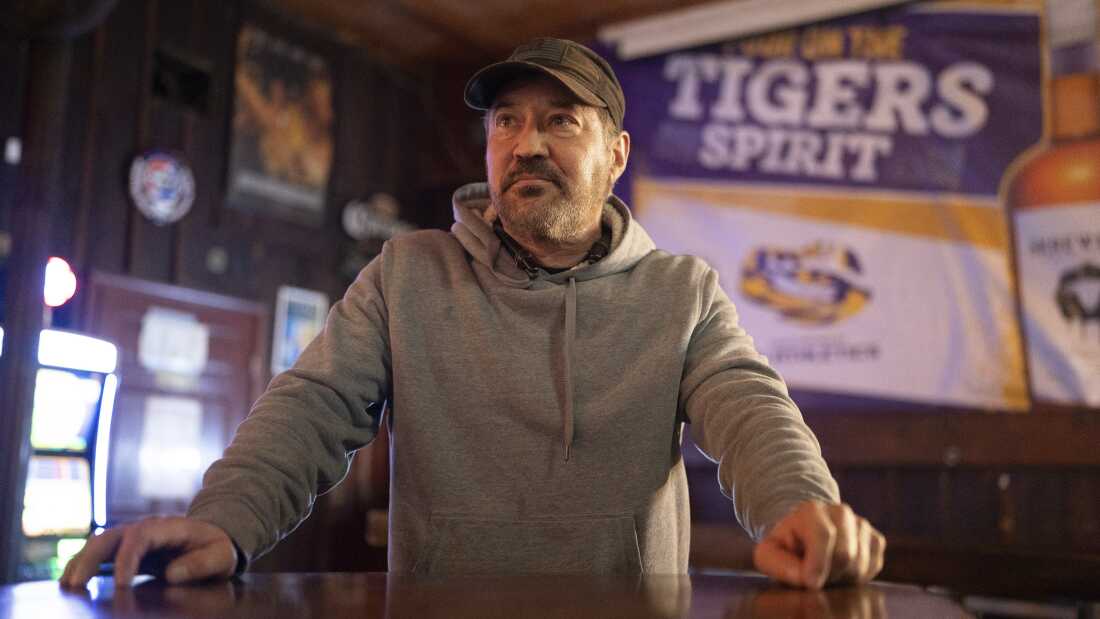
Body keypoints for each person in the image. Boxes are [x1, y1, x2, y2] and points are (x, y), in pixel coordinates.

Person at [62, 38, 884, 590]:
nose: (527, 143)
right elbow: (309, 407)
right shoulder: (407, 274)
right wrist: (223, 522)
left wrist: (797, 504)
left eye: (561, 119)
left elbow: (750, 405)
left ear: (617, 155)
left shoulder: (682, 291)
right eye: (507, 122)